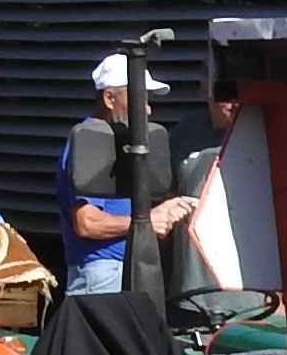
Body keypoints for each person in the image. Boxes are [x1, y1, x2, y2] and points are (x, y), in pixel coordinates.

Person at [55, 52, 194, 295]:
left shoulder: (118, 142)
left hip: (129, 269)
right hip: (101, 273)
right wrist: (147, 222)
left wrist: (171, 206)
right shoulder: (91, 144)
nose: (148, 110)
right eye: (140, 99)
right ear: (109, 98)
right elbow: (86, 223)